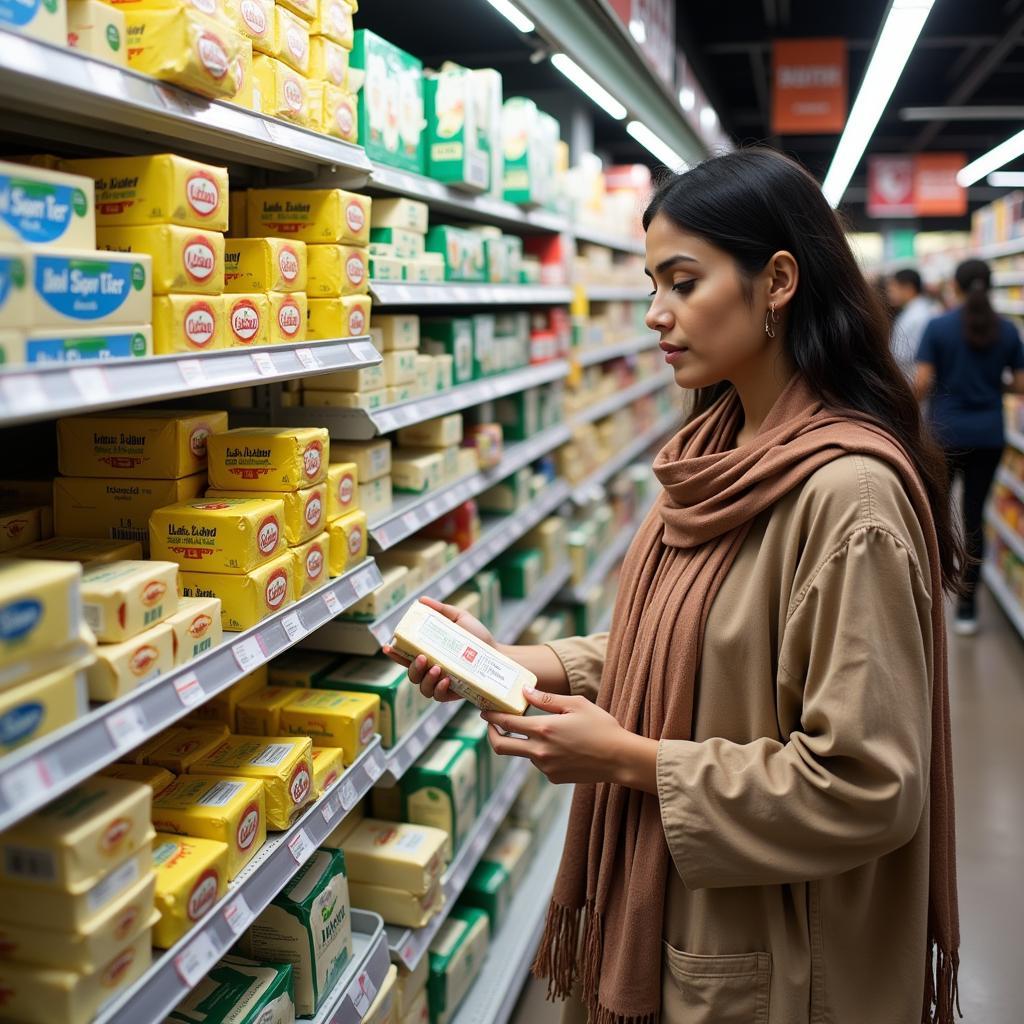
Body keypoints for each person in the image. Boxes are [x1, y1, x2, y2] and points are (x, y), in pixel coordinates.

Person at [385, 149, 962, 1024]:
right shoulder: (720, 450)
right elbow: (691, 647)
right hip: (701, 915)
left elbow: (868, 784)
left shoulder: (848, 499)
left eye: (682, 283)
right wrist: (520, 663)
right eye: (653, 283)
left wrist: (626, 759)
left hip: (783, 959)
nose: (656, 314)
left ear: (776, 280)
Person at [915, 258, 1024, 635]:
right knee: (973, 516)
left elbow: (923, 382)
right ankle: (967, 608)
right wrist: (994, 385)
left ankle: (929, 596)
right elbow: (1020, 383)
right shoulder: (1007, 330)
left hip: (944, 435)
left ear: (955, 288)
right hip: (989, 435)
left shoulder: (939, 327)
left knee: (935, 515)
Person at [887, 267, 939, 380]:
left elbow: (901, 356)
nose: (889, 293)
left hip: (915, 381)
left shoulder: (915, 316)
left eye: (893, 288)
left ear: (908, 288)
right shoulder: (917, 311)